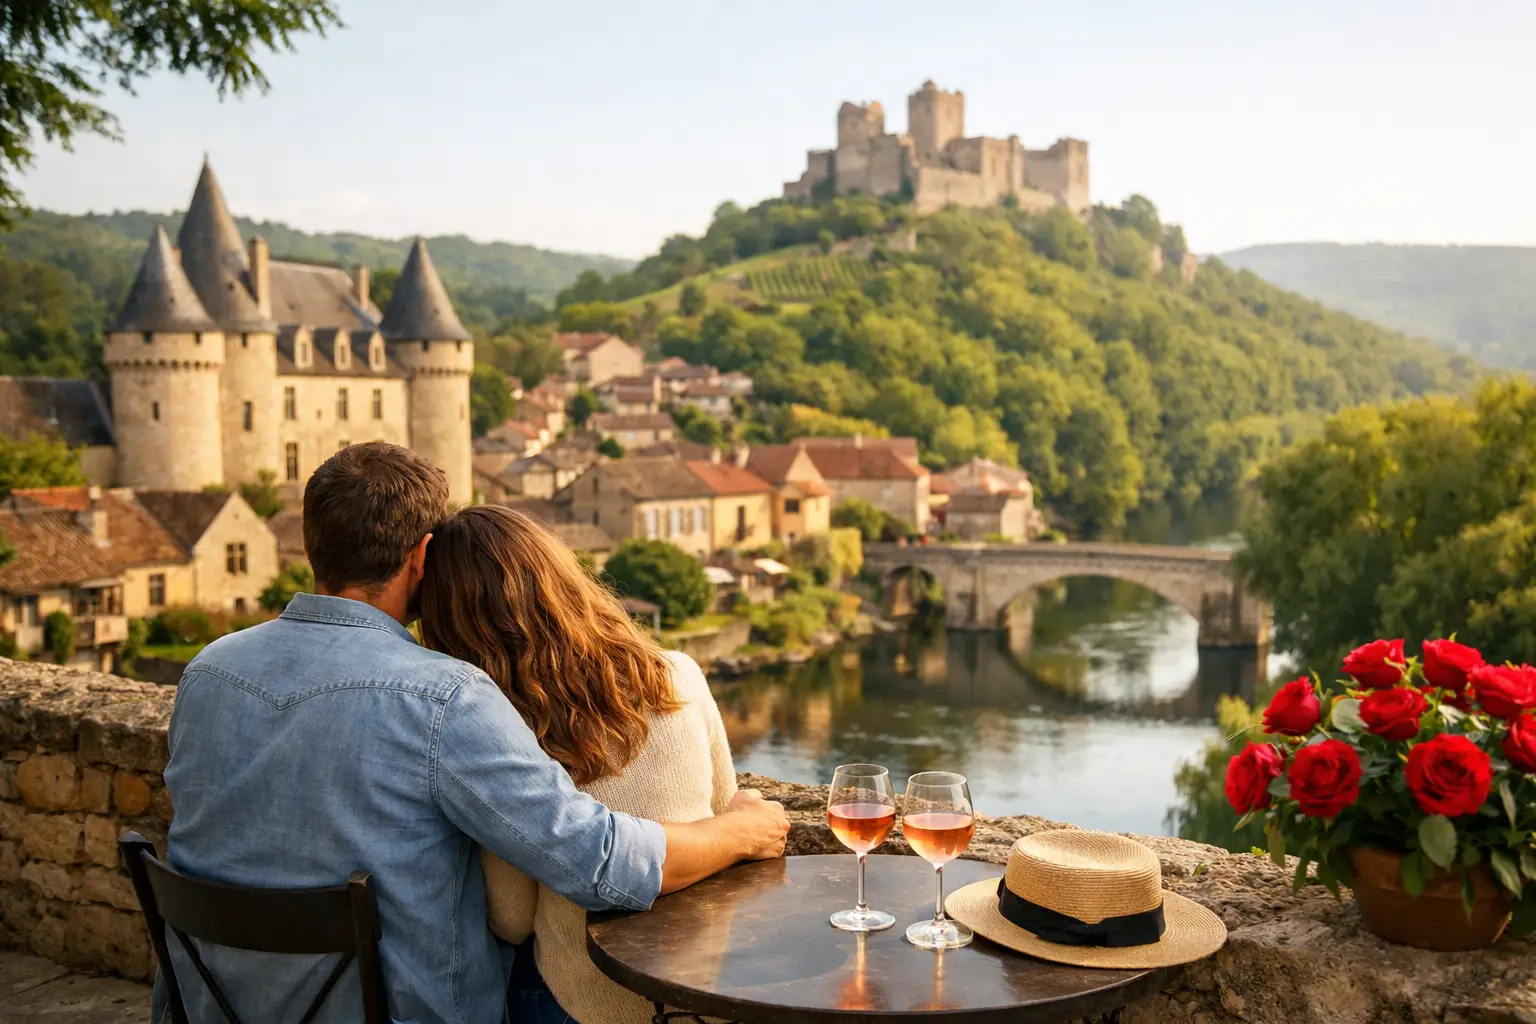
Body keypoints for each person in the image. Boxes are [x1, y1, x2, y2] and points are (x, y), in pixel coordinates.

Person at [154, 443, 787, 1024]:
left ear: (311, 540)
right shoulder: (444, 697)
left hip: (216, 1004)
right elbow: (591, 863)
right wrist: (733, 830)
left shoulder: (209, 670)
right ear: (422, 556)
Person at [418, 505, 737, 1024]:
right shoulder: (679, 672)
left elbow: (513, 916)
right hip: (700, 992)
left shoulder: (507, 726)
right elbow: (728, 812)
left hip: (587, 1001)